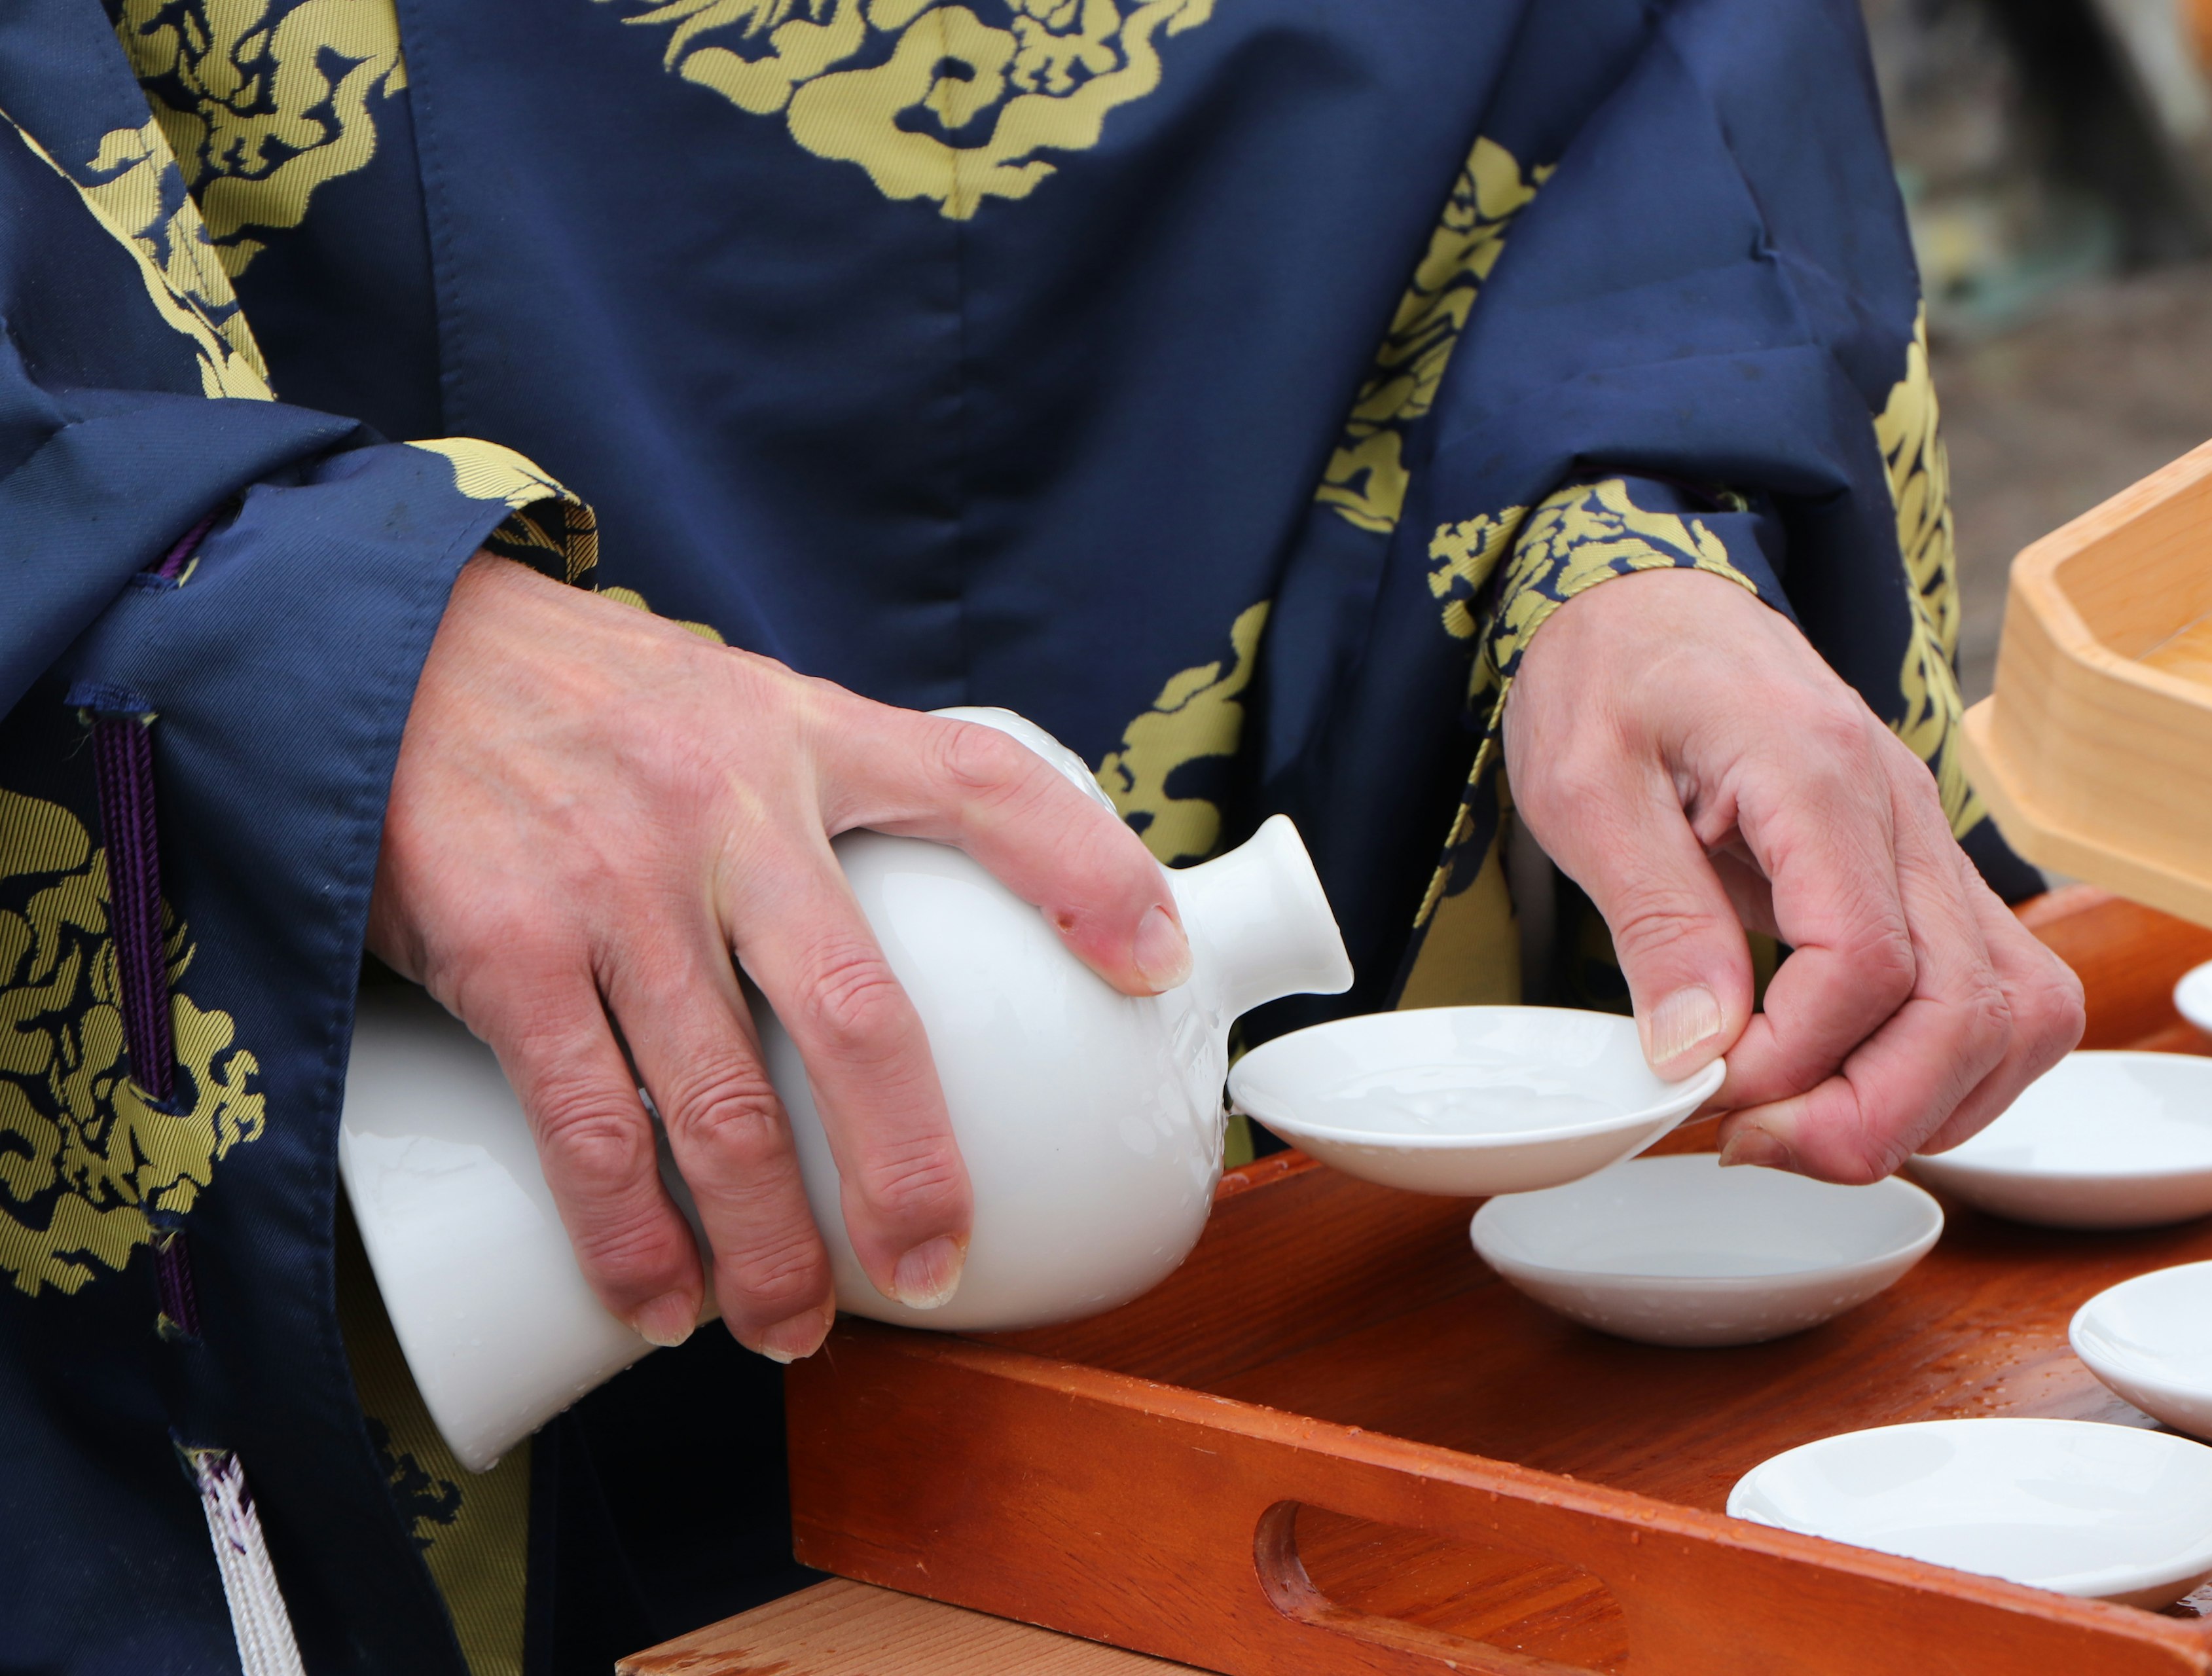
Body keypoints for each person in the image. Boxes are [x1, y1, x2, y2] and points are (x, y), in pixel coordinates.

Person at [0, 0, 2082, 1669]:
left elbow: (1648, 92)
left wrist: (1629, 539)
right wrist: (293, 616)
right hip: (346, 606)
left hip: (1295, 449)